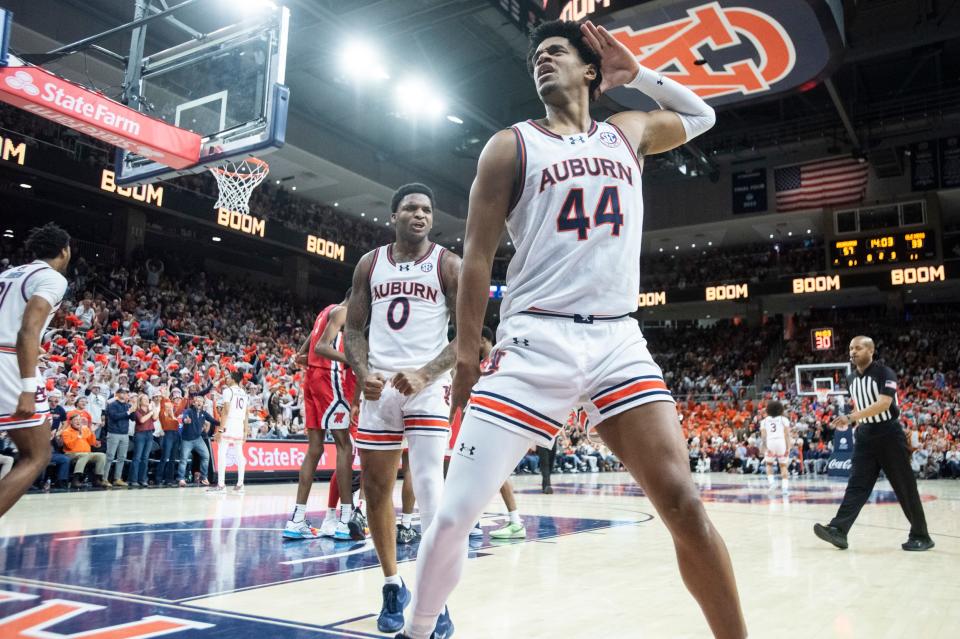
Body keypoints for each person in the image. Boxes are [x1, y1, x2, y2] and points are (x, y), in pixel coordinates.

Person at [399, 21, 744, 639]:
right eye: (535, 56)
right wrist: (470, 358)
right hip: (535, 341)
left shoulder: (627, 132)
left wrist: (634, 73)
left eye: (555, 52)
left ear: (590, 70)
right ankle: (419, 630)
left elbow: (702, 117)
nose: (541, 61)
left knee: (684, 506)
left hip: (617, 341)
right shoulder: (510, 145)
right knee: (452, 516)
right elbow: (476, 256)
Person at [344, 183, 459, 635]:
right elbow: (353, 330)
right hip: (380, 388)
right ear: (393, 215)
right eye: (410, 208)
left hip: (427, 387)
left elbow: (471, 335)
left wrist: (427, 374)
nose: (420, 215)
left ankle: (437, 600)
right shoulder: (369, 264)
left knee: (430, 489)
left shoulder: (448, 263)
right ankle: (393, 584)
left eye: (427, 210)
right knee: (375, 489)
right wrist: (361, 370)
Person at [814, 336, 934, 552]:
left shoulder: (884, 373)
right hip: (865, 435)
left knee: (904, 486)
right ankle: (838, 530)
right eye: (850, 348)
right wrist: (855, 422)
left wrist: (850, 417)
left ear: (871, 350)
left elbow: (884, 403)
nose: (853, 352)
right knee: (857, 485)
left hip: (889, 433)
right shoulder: (851, 379)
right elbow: (863, 406)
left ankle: (921, 535)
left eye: (858, 348)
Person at [0, 223, 70, 517]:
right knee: (37, 455)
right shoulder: (51, 278)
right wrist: (29, 388)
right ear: (65, 252)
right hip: (10, 364)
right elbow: (28, 329)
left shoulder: (9, 273)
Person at [284, 289, 362, 540]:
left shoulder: (325, 311)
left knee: (314, 449)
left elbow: (302, 353)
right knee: (344, 446)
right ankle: (344, 521)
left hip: (312, 381)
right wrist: (350, 359)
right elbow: (322, 346)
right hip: (329, 379)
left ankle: (297, 520)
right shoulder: (344, 312)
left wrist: (309, 358)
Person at [209, 371, 249, 494]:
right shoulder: (244, 393)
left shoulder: (228, 391)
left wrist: (220, 430)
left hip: (230, 423)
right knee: (240, 455)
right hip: (240, 424)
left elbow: (225, 411)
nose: (226, 379)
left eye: (228, 377)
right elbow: (247, 413)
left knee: (222, 453)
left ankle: (221, 485)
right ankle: (240, 484)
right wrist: (246, 431)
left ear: (233, 379)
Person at [60, 413, 110, 489]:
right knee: (84, 455)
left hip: (86, 453)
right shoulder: (66, 431)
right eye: (76, 420)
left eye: (79, 420)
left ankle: (97, 479)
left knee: (101, 455)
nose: (78, 421)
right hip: (71, 454)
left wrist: (92, 432)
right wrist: (78, 436)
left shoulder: (85, 429)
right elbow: (69, 446)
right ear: (70, 422)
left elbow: (92, 443)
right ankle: (75, 480)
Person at [177, 395, 216, 487]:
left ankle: (204, 477)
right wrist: (185, 420)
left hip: (198, 439)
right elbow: (184, 417)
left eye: (201, 401)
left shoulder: (204, 413)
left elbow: (213, 421)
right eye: (197, 401)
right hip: (187, 440)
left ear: (203, 404)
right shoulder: (189, 411)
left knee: (206, 456)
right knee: (183, 460)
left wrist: (223, 423)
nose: (199, 402)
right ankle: (181, 479)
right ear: (193, 403)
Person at [103, 387, 135, 486]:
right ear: (119, 394)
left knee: (122, 457)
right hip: (114, 433)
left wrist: (133, 410)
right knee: (110, 456)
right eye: (125, 393)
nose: (127, 395)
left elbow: (133, 419)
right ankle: (104, 479)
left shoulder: (128, 405)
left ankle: (117, 478)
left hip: (124, 434)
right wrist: (128, 412)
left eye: (127, 393)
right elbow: (114, 417)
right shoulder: (112, 405)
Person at [760, 400, 792, 493]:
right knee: (783, 466)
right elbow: (787, 435)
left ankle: (772, 483)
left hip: (770, 442)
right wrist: (788, 447)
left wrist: (765, 447)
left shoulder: (764, 421)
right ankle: (785, 489)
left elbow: (763, 436)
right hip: (781, 442)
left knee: (769, 464)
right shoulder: (784, 419)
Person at [128, 394, 160, 488]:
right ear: (140, 401)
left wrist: (155, 408)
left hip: (149, 434)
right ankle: (133, 479)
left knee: (145, 458)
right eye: (144, 399)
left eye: (147, 399)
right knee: (137, 457)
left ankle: (143, 479)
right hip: (140, 434)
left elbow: (155, 418)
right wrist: (150, 413)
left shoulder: (149, 410)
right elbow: (141, 420)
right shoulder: (137, 410)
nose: (147, 400)